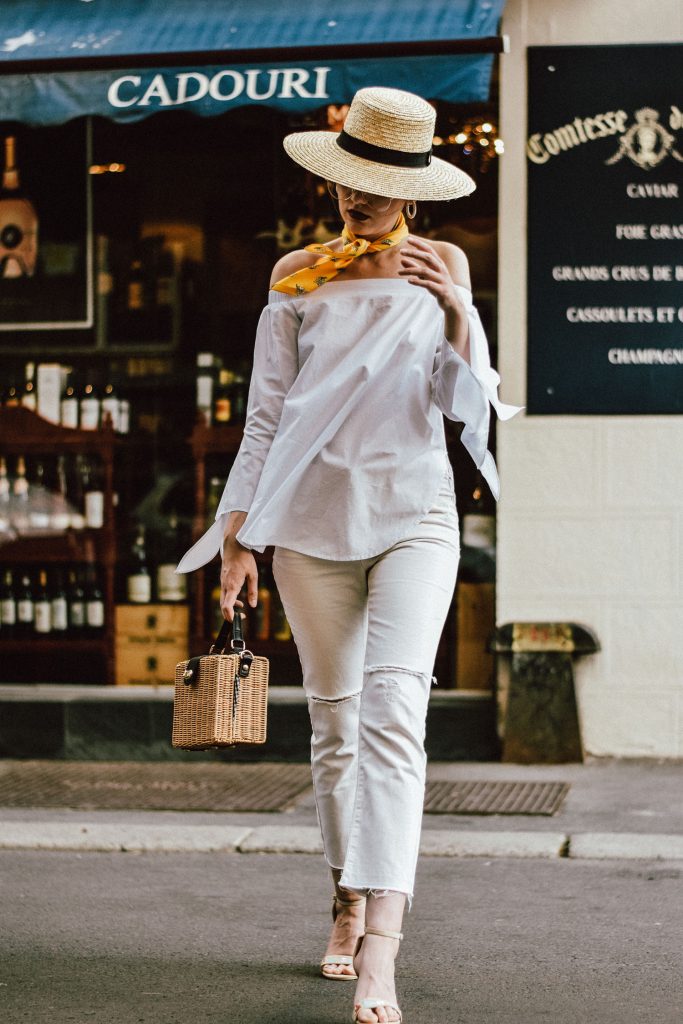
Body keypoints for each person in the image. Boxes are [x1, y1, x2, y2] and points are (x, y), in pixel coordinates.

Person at [178, 86, 520, 1024]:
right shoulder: (295, 273)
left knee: (392, 714)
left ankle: (382, 950)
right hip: (312, 526)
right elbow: (266, 415)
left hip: (414, 514)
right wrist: (239, 536)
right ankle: (345, 894)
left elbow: (467, 402)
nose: (353, 201)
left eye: (372, 186)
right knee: (333, 729)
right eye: (342, 182)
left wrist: (456, 308)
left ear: (413, 187)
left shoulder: (441, 263)